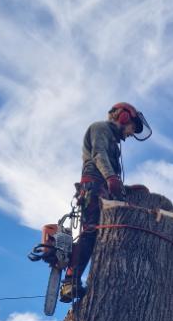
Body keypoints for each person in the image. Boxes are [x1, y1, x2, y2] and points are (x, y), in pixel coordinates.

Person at [60, 102, 152, 303]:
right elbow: (99, 154)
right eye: (131, 128)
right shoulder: (100, 129)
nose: (129, 134)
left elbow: (113, 177)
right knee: (91, 230)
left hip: (104, 187)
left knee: (105, 235)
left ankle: (84, 278)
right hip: (93, 184)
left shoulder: (115, 145)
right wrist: (111, 178)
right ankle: (70, 279)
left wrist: (124, 188)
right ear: (123, 117)